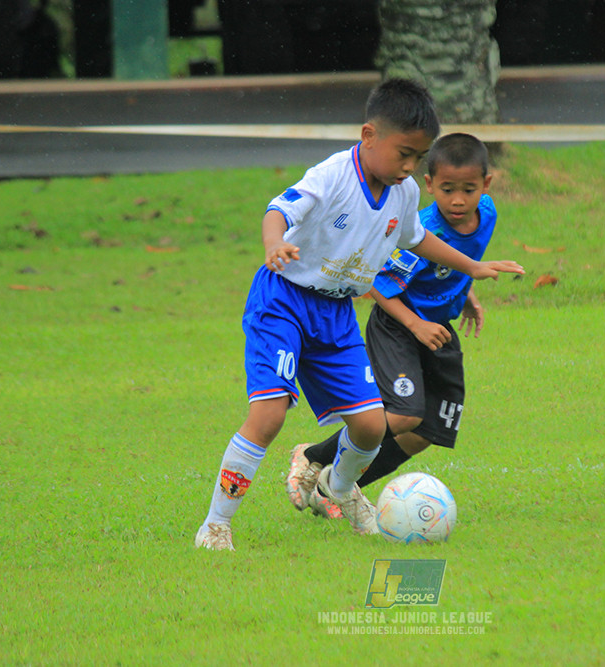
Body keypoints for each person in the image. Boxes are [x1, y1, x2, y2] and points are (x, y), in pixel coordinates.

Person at [194, 80, 524, 550]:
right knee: (268, 416)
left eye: (418, 157)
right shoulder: (332, 176)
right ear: (369, 135)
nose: (410, 167)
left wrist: (471, 266)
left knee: (371, 424)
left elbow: (416, 239)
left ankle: (343, 490)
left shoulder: (404, 191)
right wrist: (275, 243)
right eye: (403, 153)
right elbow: (277, 211)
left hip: (337, 313)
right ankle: (215, 524)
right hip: (284, 300)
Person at [285, 132, 498, 521]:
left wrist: (465, 296)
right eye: (447, 189)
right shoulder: (423, 229)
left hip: (438, 327)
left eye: (468, 190)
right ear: (429, 184)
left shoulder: (487, 215)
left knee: (423, 434)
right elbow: (379, 286)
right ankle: (312, 456)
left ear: (485, 186)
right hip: (399, 325)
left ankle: (334, 490)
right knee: (403, 415)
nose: (457, 200)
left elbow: (453, 266)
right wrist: (415, 324)